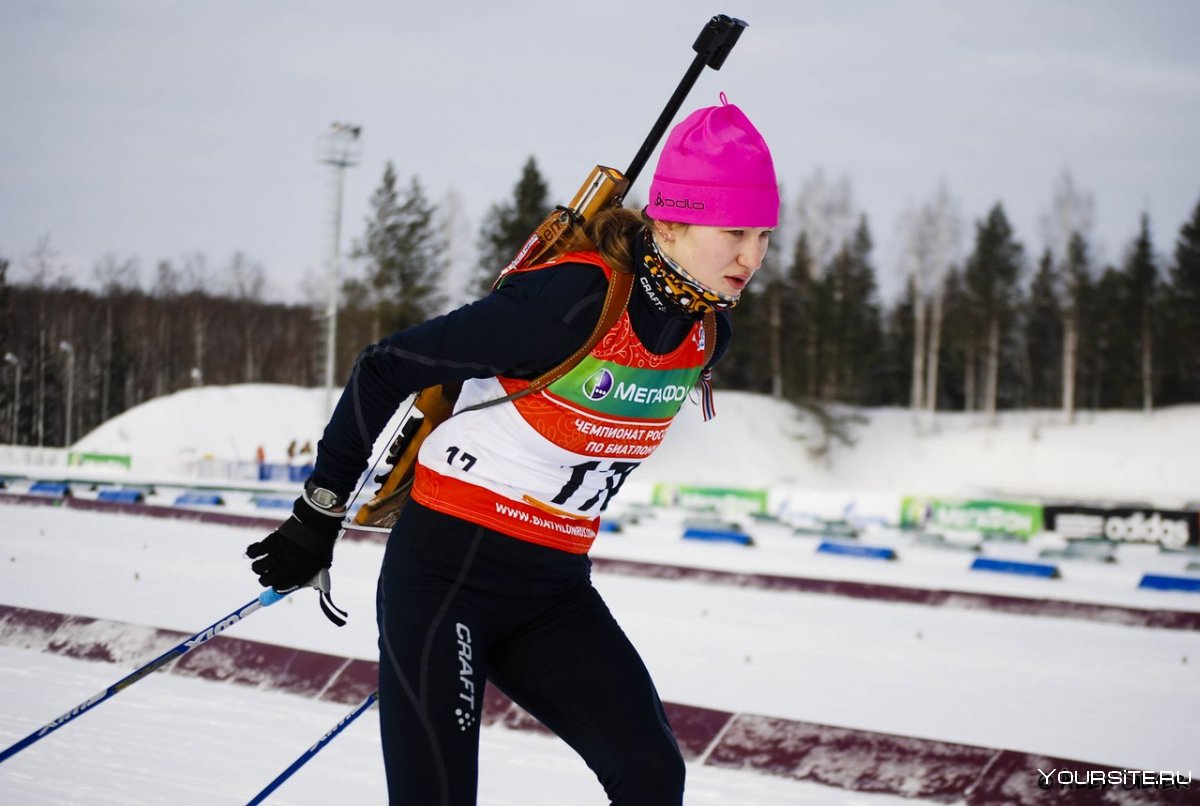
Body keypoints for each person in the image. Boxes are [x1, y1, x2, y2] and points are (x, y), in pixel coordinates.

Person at [246, 94, 778, 805]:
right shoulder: (573, 301)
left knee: (652, 775)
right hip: (445, 578)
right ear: (672, 222)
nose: (753, 256)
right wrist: (318, 514)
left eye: (765, 235)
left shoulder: (709, 329)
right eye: (735, 230)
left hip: (553, 593)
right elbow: (386, 366)